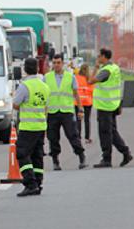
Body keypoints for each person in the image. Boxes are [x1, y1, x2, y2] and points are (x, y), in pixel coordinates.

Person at [12, 57, 51, 197]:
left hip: (28, 126)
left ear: (25, 69)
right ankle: (38, 182)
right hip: (41, 125)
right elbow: (46, 106)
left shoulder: (25, 85)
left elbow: (16, 104)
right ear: (37, 68)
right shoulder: (44, 86)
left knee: (22, 154)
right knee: (37, 155)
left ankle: (30, 183)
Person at [90, 48, 133, 168]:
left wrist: (96, 67)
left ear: (104, 57)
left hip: (105, 106)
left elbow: (90, 81)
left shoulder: (106, 70)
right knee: (112, 132)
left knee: (105, 132)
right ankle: (125, 152)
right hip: (113, 104)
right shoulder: (115, 68)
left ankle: (107, 158)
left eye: (99, 56)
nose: (98, 58)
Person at [45, 54, 86, 170]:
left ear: (63, 63)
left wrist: (80, 109)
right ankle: (55, 161)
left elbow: (76, 94)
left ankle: (81, 156)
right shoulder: (47, 77)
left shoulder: (70, 77)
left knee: (73, 135)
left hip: (67, 111)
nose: (56, 65)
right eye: (54, 63)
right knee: (53, 137)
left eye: (58, 62)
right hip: (52, 112)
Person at [75, 63, 94, 144]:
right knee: (87, 120)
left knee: (78, 120)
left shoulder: (76, 77)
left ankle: (78, 137)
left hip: (78, 102)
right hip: (88, 102)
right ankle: (87, 138)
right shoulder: (89, 79)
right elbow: (92, 90)